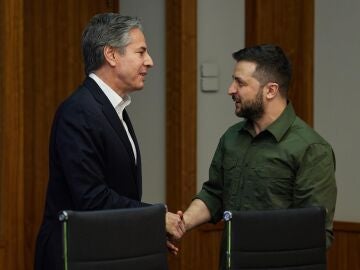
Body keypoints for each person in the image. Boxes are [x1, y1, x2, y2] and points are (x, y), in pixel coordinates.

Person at [34, 13, 183, 270]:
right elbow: (91, 198)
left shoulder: (113, 108)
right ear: (111, 55)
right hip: (76, 255)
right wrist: (155, 219)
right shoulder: (79, 111)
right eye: (141, 52)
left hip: (105, 249)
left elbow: (117, 193)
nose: (150, 62)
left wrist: (145, 232)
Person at [172, 44, 337, 269]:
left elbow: (315, 234)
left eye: (240, 82)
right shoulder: (231, 138)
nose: (231, 89)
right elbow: (214, 194)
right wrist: (182, 223)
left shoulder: (311, 149)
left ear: (270, 90)